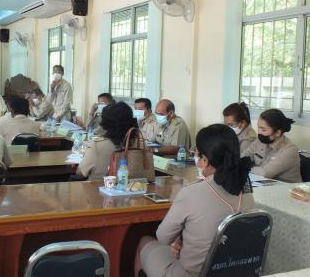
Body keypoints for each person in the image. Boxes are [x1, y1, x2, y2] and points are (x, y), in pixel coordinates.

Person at [135, 124, 254, 277]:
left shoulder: (191, 192)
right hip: (235, 271)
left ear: (205, 159)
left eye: (197, 153)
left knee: (144, 241)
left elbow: (163, 237)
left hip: (191, 274)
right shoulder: (246, 190)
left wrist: (178, 239)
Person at [77, 102, 138, 180]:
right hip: (135, 188)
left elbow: (80, 173)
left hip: (98, 189)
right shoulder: (139, 144)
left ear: (105, 122)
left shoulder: (97, 146)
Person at [242, 109, 301, 182]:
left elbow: (265, 173)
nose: (259, 132)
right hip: (263, 184)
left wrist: (242, 167)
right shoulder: (260, 141)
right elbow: (243, 156)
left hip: (286, 189)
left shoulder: (290, 150)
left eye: (263, 130)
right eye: (258, 127)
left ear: (277, 133)